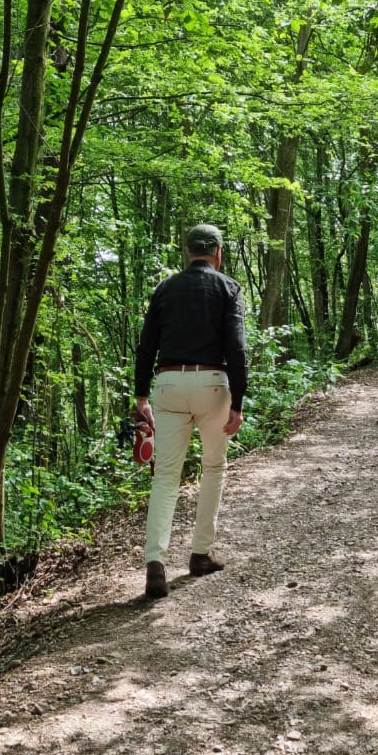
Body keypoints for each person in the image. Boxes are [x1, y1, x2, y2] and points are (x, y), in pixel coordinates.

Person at [132, 223, 246, 601]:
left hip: (167, 384)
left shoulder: (164, 289)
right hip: (213, 384)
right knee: (213, 467)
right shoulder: (228, 288)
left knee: (166, 476)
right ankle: (200, 554)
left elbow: (146, 345)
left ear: (187, 252)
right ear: (218, 252)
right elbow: (237, 348)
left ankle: (155, 566)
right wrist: (238, 403)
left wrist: (141, 396)